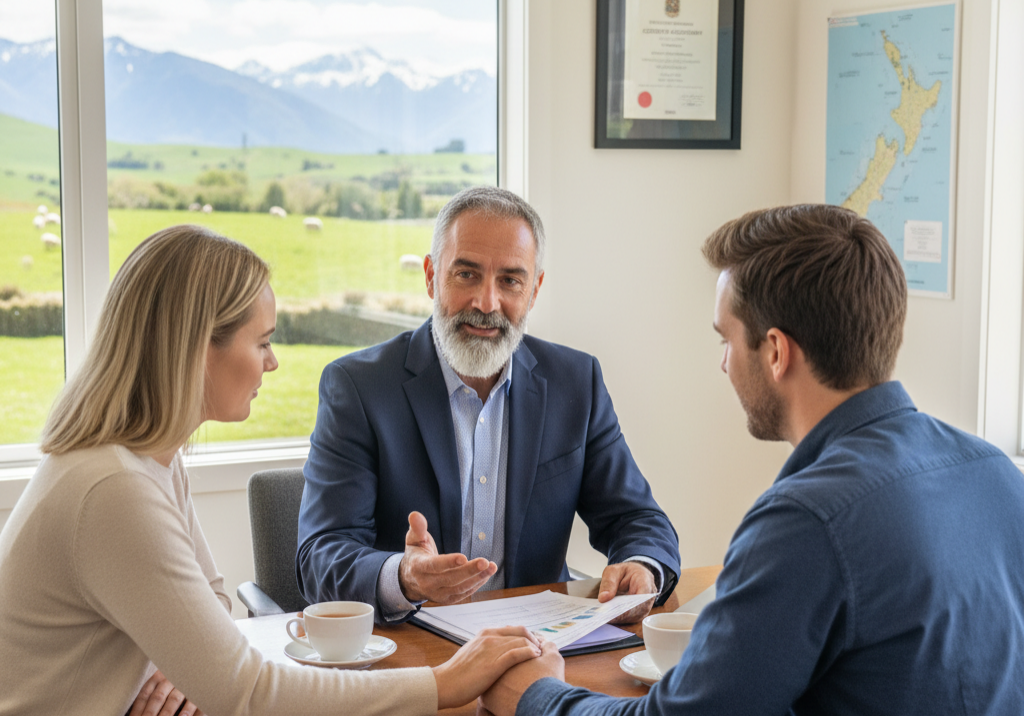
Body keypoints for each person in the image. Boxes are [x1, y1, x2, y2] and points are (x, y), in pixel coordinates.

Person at [481, 204, 1024, 715]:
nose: (723, 364)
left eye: (727, 339)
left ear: (776, 352)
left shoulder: (806, 521)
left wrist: (538, 697)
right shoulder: (996, 472)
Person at [0, 225, 545, 716]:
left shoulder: (149, 458)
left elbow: (211, 603)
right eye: (261, 341)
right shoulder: (113, 489)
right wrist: (444, 683)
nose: (272, 361)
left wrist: (178, 662)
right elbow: (249, 694)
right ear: (196, 348)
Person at [297, 187, 680, 626]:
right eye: (466, 275)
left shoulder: (576, 381)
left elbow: (638, 518)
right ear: (430, 276)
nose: (486, 303)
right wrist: (405, 578)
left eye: (510, 281)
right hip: (413, 648)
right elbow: (321, 555)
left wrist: (643, 565)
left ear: (534, 290)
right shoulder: (359, 387)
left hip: (536, 646)